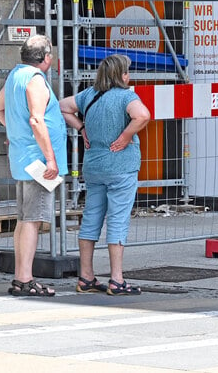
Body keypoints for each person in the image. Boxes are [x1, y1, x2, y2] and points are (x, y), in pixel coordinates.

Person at [0, 34, 77, 297]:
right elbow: (37, 121)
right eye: (51, 54)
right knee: (33, 220)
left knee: (24, 219)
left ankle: (21, 278)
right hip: (38, 161)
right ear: (45, 58)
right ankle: (25, 280)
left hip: (23, 156)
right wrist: (50, 158)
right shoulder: (36, 80)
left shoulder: (15, 75)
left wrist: (15, 133)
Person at [60, 54, 150, 296]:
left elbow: (63, 107)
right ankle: (117, 280)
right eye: (127, 72)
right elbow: (142, 115)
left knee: (91, 219)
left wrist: (82, 128)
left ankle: (86, 277)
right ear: (122, 75)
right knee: (118, 221)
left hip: (94, 168)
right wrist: (125, 136)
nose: (129, 76)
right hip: (121, 168)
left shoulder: (89, 95)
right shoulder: (126, 96)